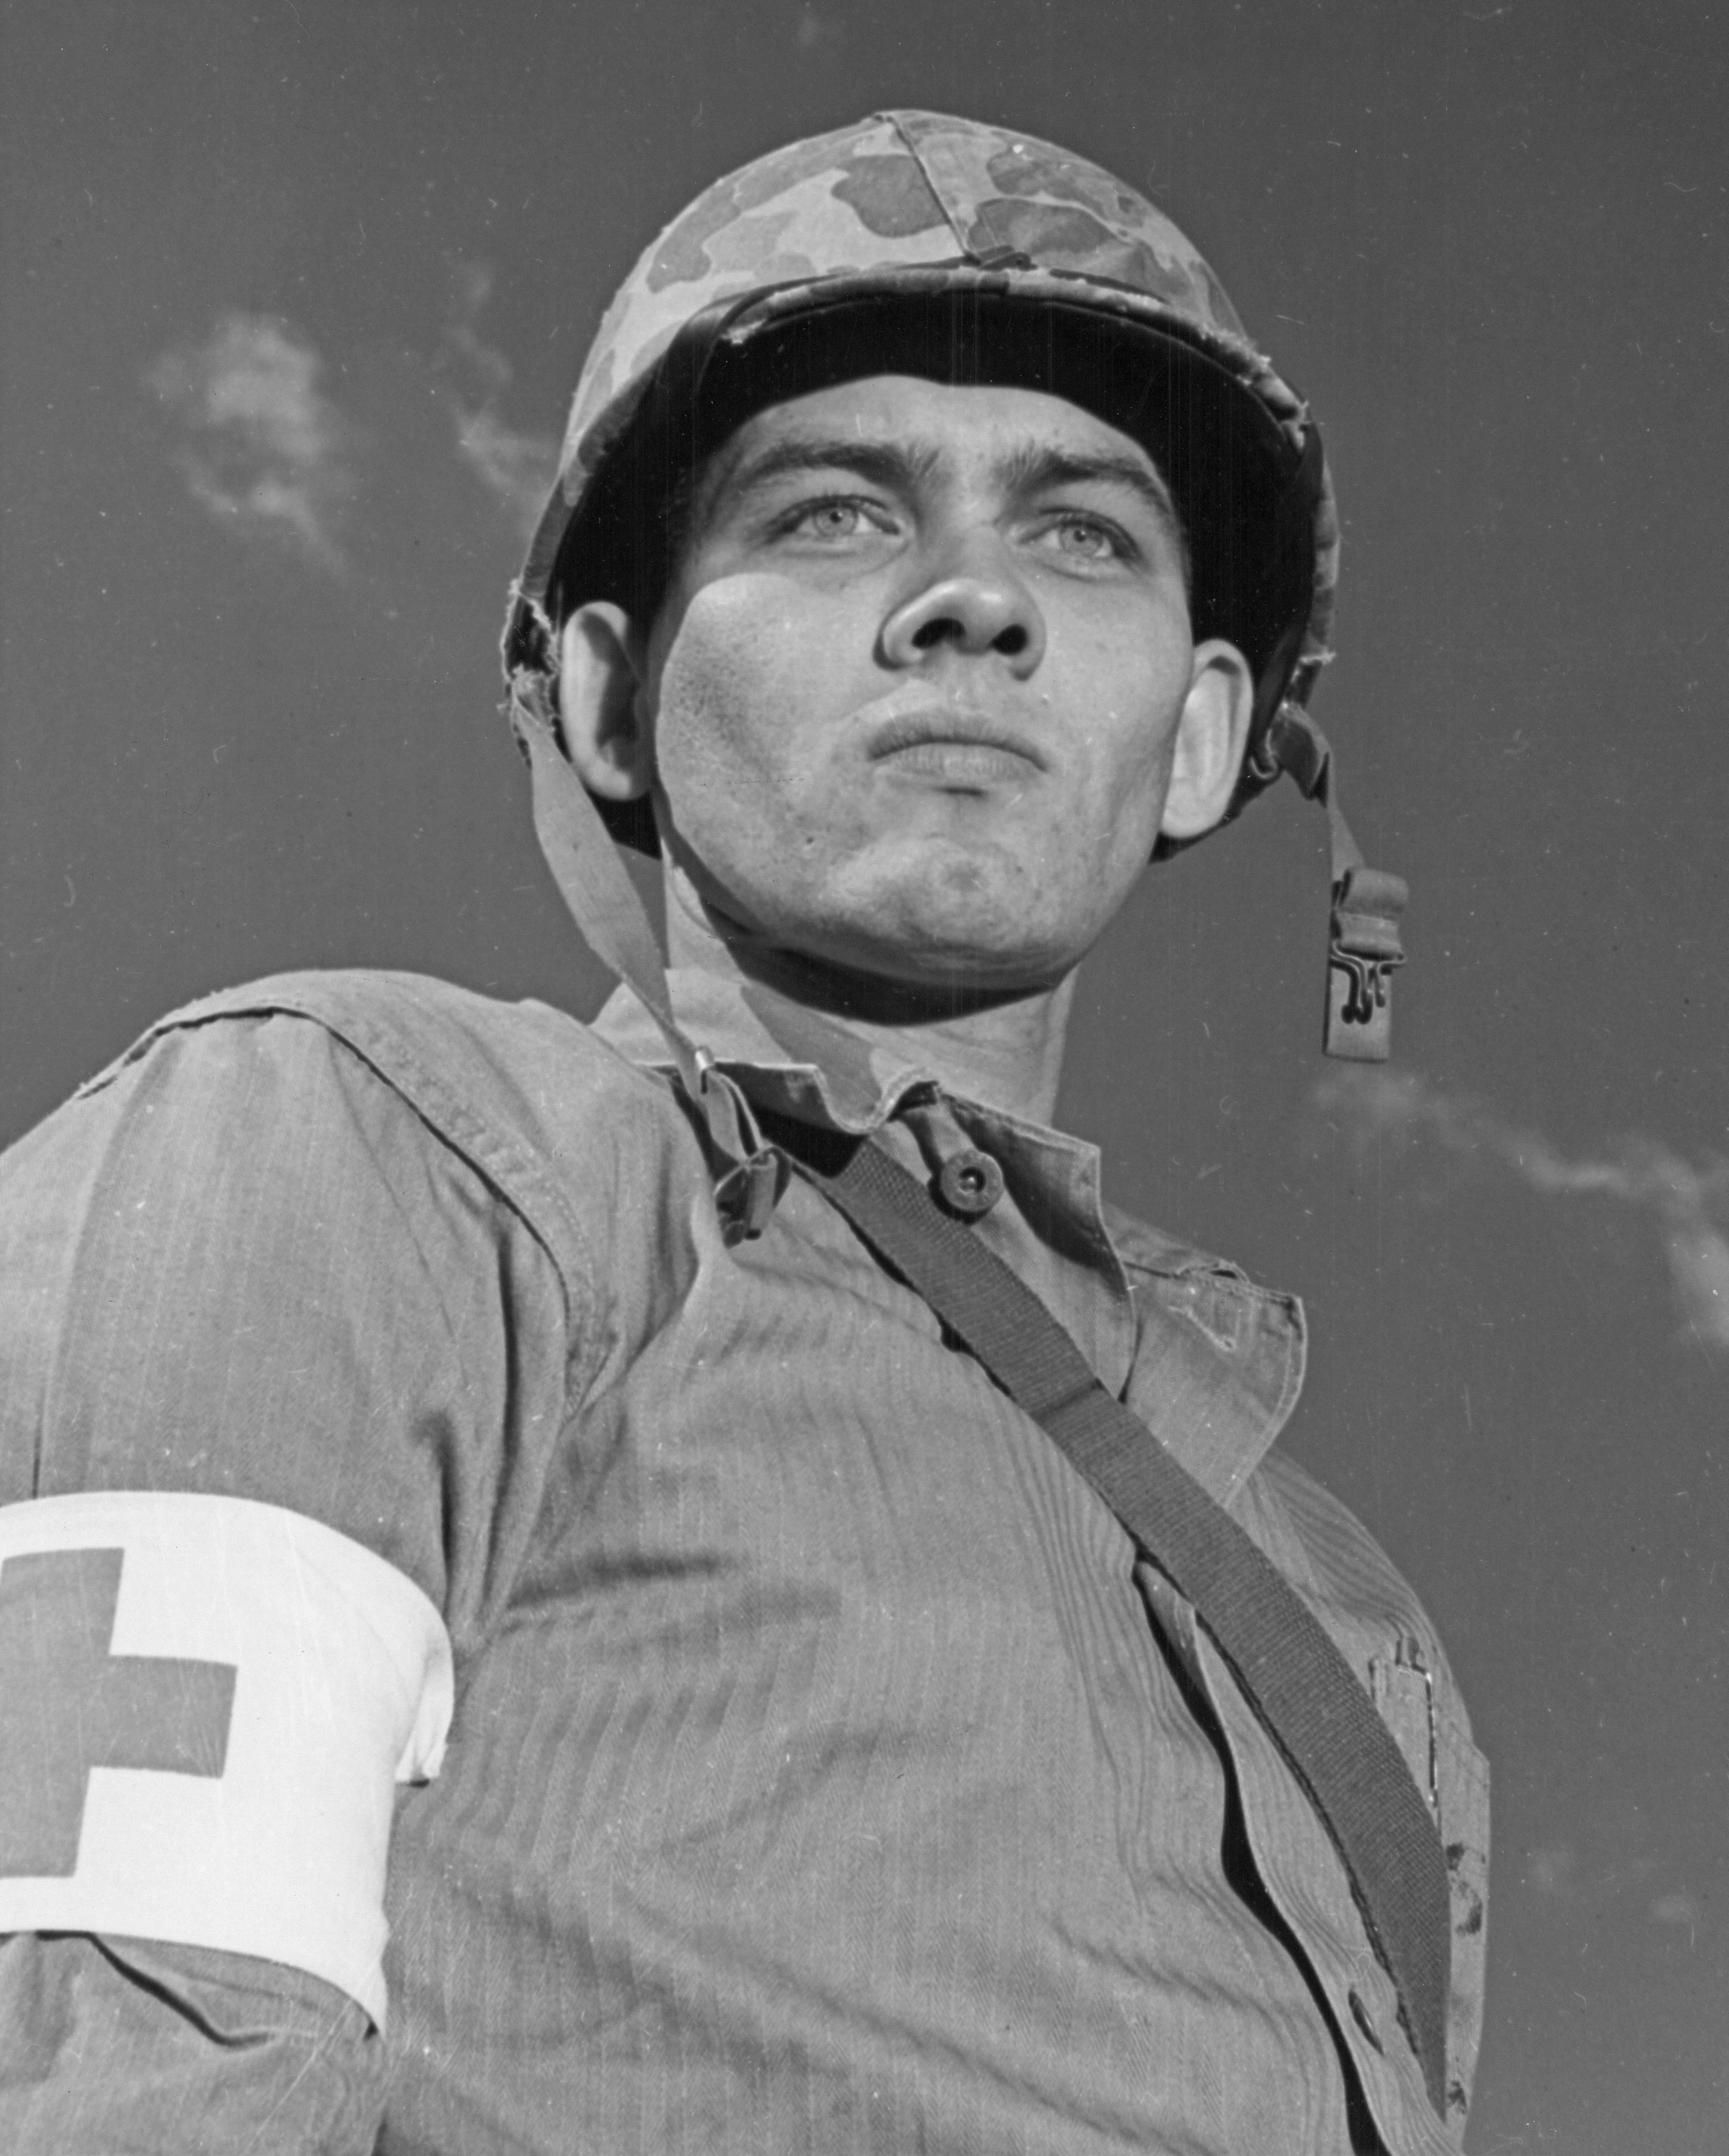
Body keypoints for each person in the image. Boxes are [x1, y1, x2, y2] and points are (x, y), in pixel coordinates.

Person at [0, 112, 1487, 2154]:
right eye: (828, 518)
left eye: (1084, 535)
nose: (974, 598)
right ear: (610, 698)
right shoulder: (386, 1156)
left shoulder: (1343, 1613)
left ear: (1211, 729)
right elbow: (109, 2057)